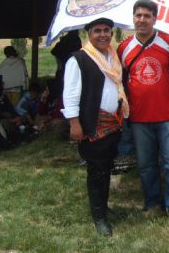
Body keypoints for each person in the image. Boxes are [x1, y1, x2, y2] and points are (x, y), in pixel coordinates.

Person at [117, 0, 169, 225]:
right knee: (146, 165)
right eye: (138, 15)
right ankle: (153, 203)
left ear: (155, 19)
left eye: (147, 16)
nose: (142, 20)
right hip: (139, 118)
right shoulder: (124, 47)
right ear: (133, 18)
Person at [62, 17, 128, 237]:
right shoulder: (79, 59)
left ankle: (103, 205)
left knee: (106, 167)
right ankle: (98, 217)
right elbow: (70, 95)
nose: (103, 35)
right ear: (88, 34)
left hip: (113, 123)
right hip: (93, 124)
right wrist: (74, 124)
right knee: (96, 170)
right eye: (97, 31)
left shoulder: (112, 56)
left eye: (107, 30)